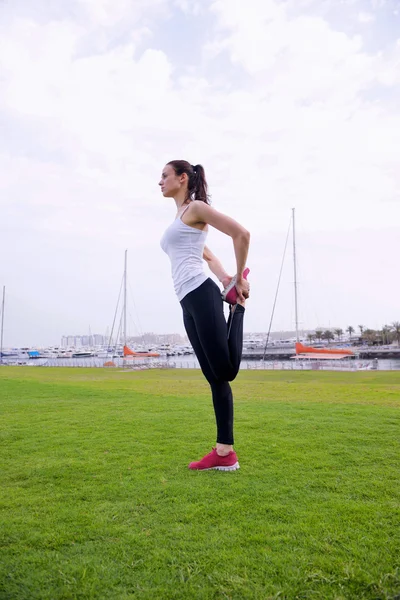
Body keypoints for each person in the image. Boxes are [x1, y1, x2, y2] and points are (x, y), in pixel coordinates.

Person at [159, 160, 250, 471]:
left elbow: (241, 234)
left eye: (164, 175)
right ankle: (224, 453)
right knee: (214, 377)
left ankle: (237, 309)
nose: (160, 182)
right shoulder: (180, 217)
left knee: (225, 371)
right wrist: (226, 277)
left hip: (201, 293)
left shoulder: (196, 207)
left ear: (182, 178)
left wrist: (237, 281)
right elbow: (206, 253)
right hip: (187, 300)